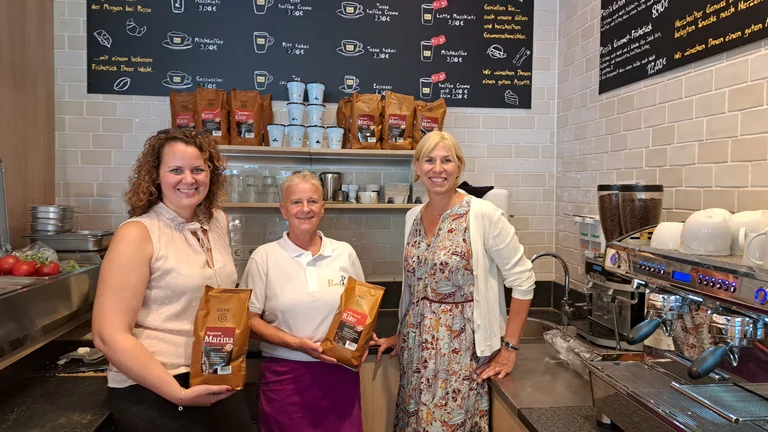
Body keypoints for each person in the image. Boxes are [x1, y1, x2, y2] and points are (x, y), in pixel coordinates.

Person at [373, 131, 536, 432]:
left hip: (461, 355)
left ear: (459, 167)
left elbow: (524, 279)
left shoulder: (484, 215)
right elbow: (416, 285)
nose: (438, 168)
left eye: (446, 160)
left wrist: (510, 348)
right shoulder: (412, 216)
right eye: (429, 160)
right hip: (415, 352)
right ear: (417, 167)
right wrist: (400, 332)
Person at [92, 129, 252, 431]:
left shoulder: (217, 221)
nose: (188, 179)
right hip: (153, 386)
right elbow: (107, 334)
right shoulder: (138, 233)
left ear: (211, 174)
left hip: (213, 371)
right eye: (176, 170)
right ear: (156, 175)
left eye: (198, 170)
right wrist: (178, 394)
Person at [241, 171, 366, 432]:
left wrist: (362, 339)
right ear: (283, 209)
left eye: (312, 201)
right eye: (296, 202)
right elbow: (248, 321)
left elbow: (361, 309)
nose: (305, 209)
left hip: (340, 374)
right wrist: (297, 344)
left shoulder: (344, 252)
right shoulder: (264, 257)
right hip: (285, 378)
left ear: (323, 208)